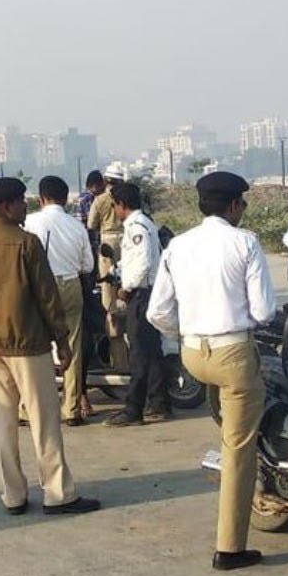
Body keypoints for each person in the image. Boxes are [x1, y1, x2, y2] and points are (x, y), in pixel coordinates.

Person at [147, 172, 276, 571]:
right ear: (235, 206)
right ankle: (230, 547)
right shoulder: (245, 242)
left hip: (192, 353)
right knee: (239, 448)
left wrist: (186, 332)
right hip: (232, 352)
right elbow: (263, 311)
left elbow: (158, 312)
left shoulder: (178, 246)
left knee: (226, 430)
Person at [0, 177, 100, 516]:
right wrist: (62, 341)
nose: (26, 206)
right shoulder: (27, 243)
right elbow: (47, 296)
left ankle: (13, 495)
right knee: (44, 420)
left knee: (2, 422)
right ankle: (57, 493)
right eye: (21, 201)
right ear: (7, 206)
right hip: (28, 343)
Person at [23, 176, 94, 425]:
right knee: (72, 346)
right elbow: (88, 265)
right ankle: (71, 408)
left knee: (35, 346)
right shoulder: (77, 226)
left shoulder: (30, 222)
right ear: (65, 199)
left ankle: (27, 409)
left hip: (40, 287)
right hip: (71, 284)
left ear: (41, 198)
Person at [104, 182, 165, 427]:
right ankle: (159, 402)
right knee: (152, 352)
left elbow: (142, 263)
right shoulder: (144, 223)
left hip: (140, 295)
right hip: (148, 293)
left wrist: (125, 289)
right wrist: (116, 270)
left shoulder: (136, 227)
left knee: (139, 354)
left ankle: (133, 409)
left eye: (115, 206)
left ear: (121, 205)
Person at [88, 164, 127, 368]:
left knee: (107, 292)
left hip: (108, 242)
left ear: (106, 180)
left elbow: (91, 224)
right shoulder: (126, 198)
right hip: (127, 241)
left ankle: (112, 330)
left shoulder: (101, 199)